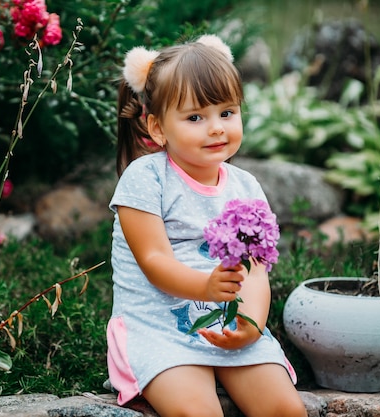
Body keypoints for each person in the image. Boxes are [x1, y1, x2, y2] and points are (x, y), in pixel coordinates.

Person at [107, 34, 308, 417]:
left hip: (227, 320)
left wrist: (249, 322)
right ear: (158, 127)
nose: (216, 128)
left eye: (227, 112)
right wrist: (206, 286)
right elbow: (153, 260)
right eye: (195, 117)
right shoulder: (145, 178)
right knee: (198, 412)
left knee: (285, 409)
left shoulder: (245, 186)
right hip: (159, 326)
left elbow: (255, 269)